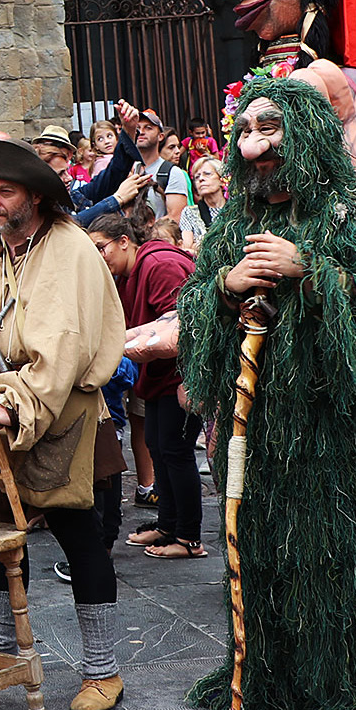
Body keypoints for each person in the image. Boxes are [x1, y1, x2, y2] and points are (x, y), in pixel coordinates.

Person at [177, 75, 356, 710]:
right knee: (263, 556)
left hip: (330, 436)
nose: (254, 145)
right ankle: (272, 673)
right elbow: (193, 318)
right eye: (245, 131)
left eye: (269, 129)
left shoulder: (349, 217)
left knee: (334, 561)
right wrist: (224, 286)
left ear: (304, 135)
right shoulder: (233, 225)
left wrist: (312, 270)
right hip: (260, 432)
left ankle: (352, 685)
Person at [0, 139, 129, 710]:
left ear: (34, 198)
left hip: (63, 417)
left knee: (78, 536)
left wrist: (12, 405)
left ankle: (102, 670)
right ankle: (0, 650)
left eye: (2, 191)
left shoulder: (68, 249)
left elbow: (65, 348)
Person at [88, 212, 201, 560]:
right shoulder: (125, 275)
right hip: (154, 376)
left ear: (125, 242)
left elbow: (180, 326)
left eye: (101, 248)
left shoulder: (160, 264)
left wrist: (118, 347)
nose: (99, 258)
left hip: (179, 376)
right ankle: (167, 523)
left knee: (176, 450)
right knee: (157, 446)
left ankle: (188, 538)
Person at [133, 110, 189, 223]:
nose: (141, 132)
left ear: (160, 136)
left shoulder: (172, 172)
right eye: (137, 128)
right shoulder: (128, 170)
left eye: (148, 128)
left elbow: (175, 217)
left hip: (159, 238)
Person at [179, 155, 227, 250]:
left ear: (221, 180)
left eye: (207, 174)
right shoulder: (190, 213)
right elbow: (187, 248)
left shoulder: (236, 208)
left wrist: (198, 245)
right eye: (197, 177)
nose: (201, 179)